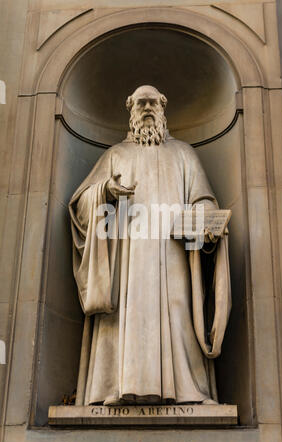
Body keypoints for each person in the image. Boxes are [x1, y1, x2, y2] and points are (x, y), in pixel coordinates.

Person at [69, 85, 231, 406]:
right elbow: (81, 205)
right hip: (127, 259)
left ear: (163, 106)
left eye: (152, 102)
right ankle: (115, 386)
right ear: (130, 108)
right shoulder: (116, 155)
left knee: (179, 315)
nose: (147, 108)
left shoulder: (184, 154)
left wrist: (204, 219)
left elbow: (202, 199)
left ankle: (187, 389)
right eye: (140, 103)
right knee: (124, 315)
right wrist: (105, 192)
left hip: (173, 256)